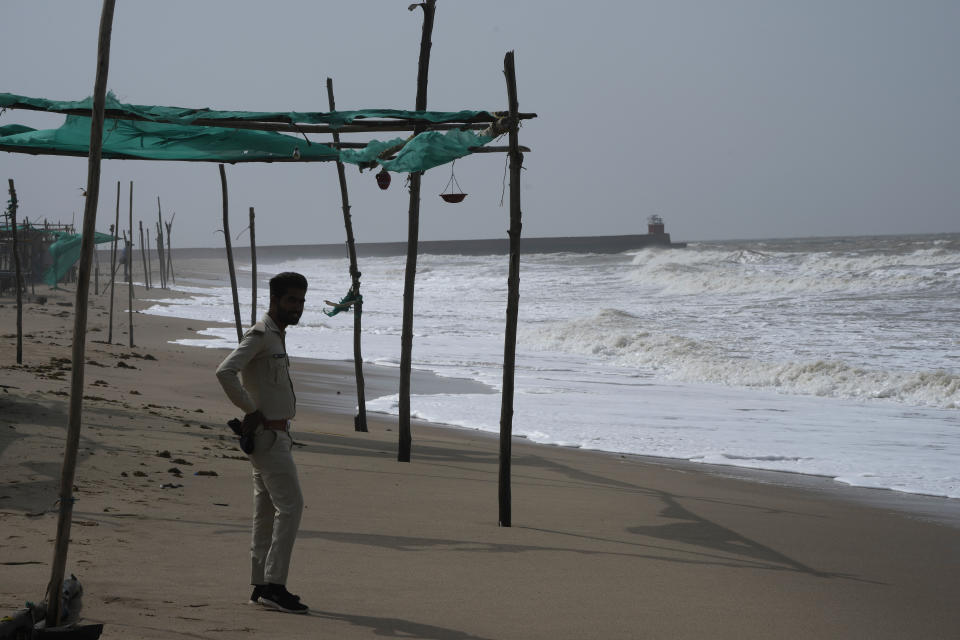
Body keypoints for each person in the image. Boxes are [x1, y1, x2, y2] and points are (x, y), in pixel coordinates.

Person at [215, 272, 309, 614]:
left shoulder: (277, 336)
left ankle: (261, 584)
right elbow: (225, 371)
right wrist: (250, 409)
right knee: (292, 507)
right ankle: (275, 585)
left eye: (301, 301)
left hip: (275, 434)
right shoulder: (261, 334)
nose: (297, 307)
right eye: (291, 301)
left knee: (267, 511)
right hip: (267, 436)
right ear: (275, 301)